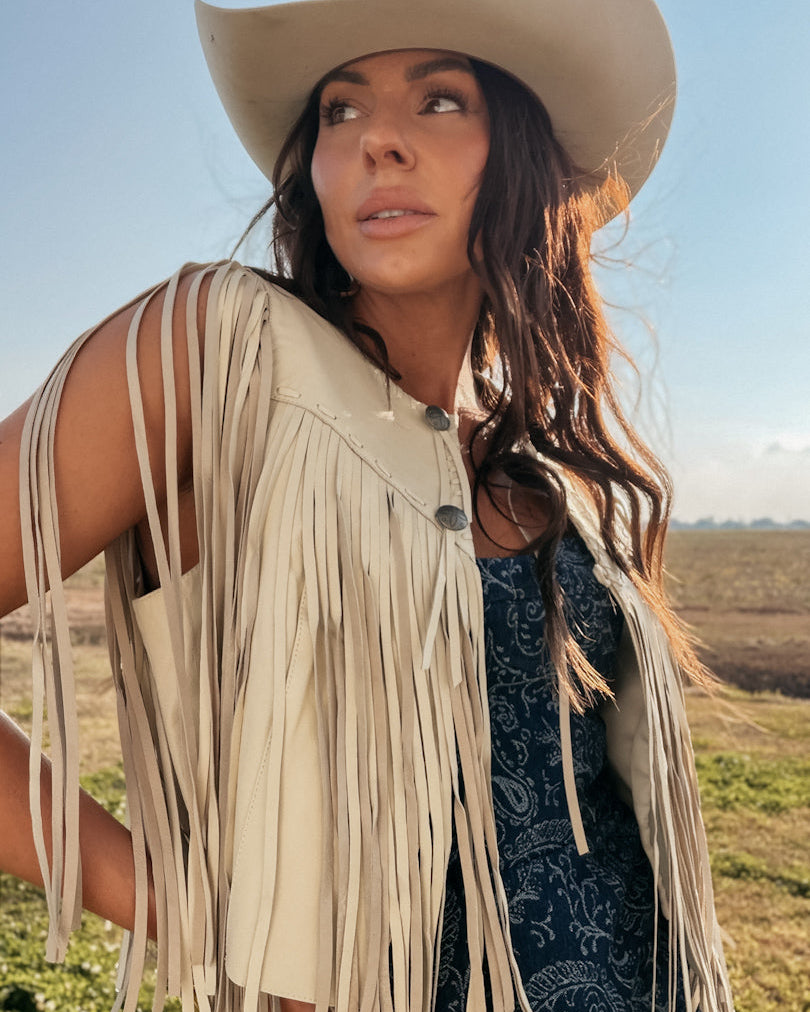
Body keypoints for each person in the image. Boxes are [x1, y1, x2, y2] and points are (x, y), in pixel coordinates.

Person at [0, 0, 735, 1010]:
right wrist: (182, 907)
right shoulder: (218, 354)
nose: (377, 141)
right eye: (339, 112)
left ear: (521, 152)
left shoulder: (550, 472)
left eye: (441, 100)